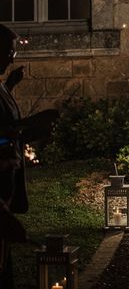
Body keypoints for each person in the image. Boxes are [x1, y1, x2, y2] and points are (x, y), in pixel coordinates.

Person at [0, 24, 58, 289]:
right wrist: (30, 122)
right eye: (8, 51)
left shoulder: (1, 86)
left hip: (6, 191)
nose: (12, 58)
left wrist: (10, 87)